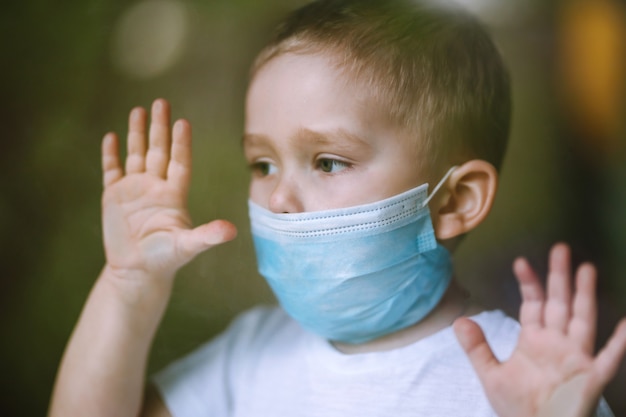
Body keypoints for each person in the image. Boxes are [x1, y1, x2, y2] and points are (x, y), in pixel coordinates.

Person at [48, 1, 626, 416]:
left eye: (326, 162)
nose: (277, 199)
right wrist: (128, 287)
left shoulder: (523, 380)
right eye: (263, 164)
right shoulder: (248, 357)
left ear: (454, 199)